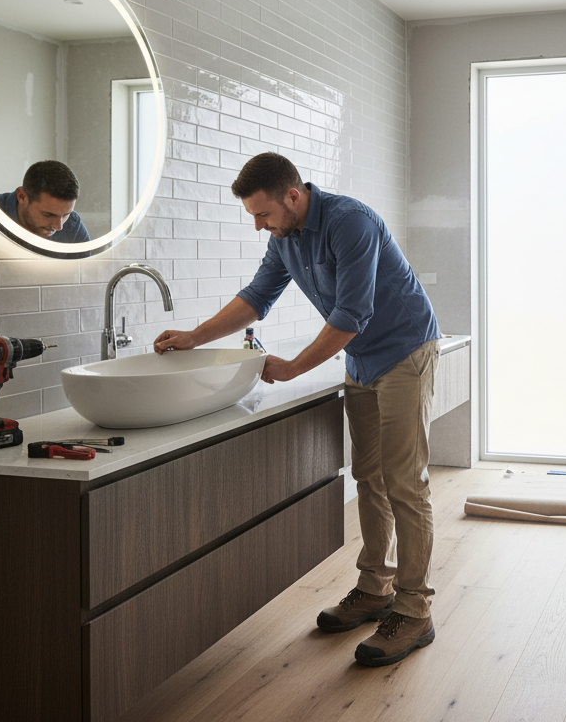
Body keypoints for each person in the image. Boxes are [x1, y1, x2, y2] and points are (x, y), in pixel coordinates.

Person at [153, 152, 441, 668]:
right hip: (360, 357)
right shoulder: (284, 236)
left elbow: (352, 312)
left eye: (263, 214)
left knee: (404, 482)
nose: (259, 226)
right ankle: (375, 589)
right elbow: (256, 297)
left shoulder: (351, 223)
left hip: (404, 350)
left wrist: (292, 368)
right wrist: (195, 337)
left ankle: (415, 610)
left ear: (293, 196)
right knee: (369, 478)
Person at [0, 160, 90, 242]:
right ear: (22, 196)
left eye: (65, 215)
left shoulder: (72, 225)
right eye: (48, 215)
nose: (59, 227)